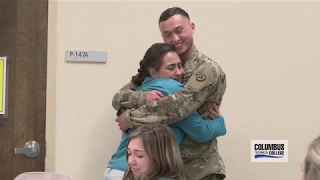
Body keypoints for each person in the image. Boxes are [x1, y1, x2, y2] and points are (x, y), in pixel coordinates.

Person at [113, 7, 227, 180]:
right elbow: (120, 97)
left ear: (192, 27)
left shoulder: (205, 69)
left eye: (179, 30)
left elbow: (177, 108)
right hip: (165, 169)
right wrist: (143, 97)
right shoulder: (162, 63)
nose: (174, 38)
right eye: (167, 34)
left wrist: (130, 117)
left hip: (199, 168)